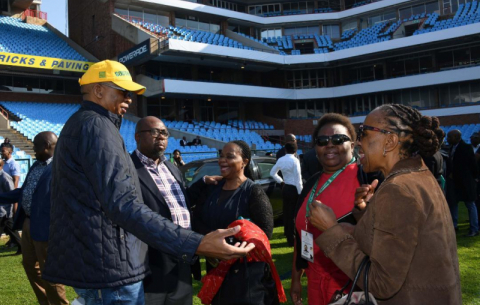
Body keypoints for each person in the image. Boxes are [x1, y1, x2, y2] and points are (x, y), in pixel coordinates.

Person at [43, 60, 255, 305]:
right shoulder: (96, 126)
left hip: (107, 265)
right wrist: (197, 242)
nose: (129, 98)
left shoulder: (89, 125)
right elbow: (124, 204)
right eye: (122, 90)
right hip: (111, 269)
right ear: (98, 90)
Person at [308, 104, 461, 304]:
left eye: (363, 132)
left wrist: (331, 231)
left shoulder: (398, 189)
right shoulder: (417, 175)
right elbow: (400, 245)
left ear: (390, 141)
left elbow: (381, 283)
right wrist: (365, 214)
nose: (357, 142)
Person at [291, 113, 380, 305]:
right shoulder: (311, 184)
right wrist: (296, 278)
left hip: (352, 283)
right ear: (315, 148)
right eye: (322, 141)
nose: (330, 145)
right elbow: (301, 234)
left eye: (339, 139)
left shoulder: (368, 178)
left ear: (353, 144)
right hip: (315, 282)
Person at [132, 116, 221, 305]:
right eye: (155, 132)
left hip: (182, 257)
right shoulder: (128, 168)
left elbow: (181, 202)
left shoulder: (172, 168)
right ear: (137, 137)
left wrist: (202, 183)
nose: (161, 137)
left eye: (164, 133)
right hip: (150, 263)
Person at [191, 140, 275, 304]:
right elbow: (196, 217)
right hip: (214, 269)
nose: (222, 160)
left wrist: (234, 247)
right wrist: (210, 245)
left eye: (229, 156)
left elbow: (265, 231)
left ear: (244, 161)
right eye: (221, 156)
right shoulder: (211, 188)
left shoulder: (253, 191)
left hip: (244, 272)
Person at [0, 132, 69, 305]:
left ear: (46, 146)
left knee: (50, 272)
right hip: (29, 223)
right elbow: (24, 191)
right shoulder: (36, 165)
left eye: (36, 146)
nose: (33, 150)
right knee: (30, 266)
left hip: (47, 226)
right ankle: (46, 301)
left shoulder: (62, 167)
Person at [446, 129, 478, 236]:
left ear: (457, 137)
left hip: (466, 181)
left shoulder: (466, 148)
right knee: (453, 204)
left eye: (450, 137)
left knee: (470, 204)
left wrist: (474, 178)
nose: (448, 139)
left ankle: (474, 228)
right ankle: (454, 226)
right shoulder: (450, 148)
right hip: (454, 182)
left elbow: (472, 165)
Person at [270, 142, 302, 246]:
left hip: (285, 187)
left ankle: (288, 235)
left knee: (286, 212)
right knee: (293, 214)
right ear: (295, 150)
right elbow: (298, 178)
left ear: (285, 150)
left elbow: (272, 173)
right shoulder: (295, 160)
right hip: (293, 188)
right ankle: (292, 238)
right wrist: (300, 192)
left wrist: (281, 181)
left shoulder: (280, 159)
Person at [0, 142, 21, 250]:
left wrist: (14, 201)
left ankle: (18, 243)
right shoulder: (3, 163)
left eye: (3, 151)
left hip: (9, 198)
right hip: (4, 198)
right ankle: (17, 243)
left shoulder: (13, 164)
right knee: (8, 224)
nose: (1, 153)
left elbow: (15, 181)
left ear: (10, 151)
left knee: (8, 222)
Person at [0, 159, 17, 253]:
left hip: (4, 210)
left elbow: (11, 193)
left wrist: (12, 209)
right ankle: (21, 246)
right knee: (11, 230)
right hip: (2, 210)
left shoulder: (5, 177)